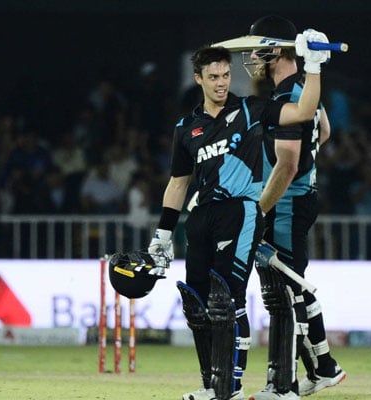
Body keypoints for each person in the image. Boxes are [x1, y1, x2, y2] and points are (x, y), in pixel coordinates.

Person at [145, 33, 329, 400]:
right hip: (200, 217)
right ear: (198, 78)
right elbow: (178, 185)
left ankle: (230, 387)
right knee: (196, 303)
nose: (220, 83)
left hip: (241, 212)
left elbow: (306, 112)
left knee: (227, 300)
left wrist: (313, 67)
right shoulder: (187, 128)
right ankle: (211, 385)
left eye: (225, 76)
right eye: (212, 77)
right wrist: (162, 235)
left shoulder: (252, 109)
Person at [240, 16, 345, 400]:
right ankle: (323, 368)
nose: (252, 56)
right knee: (292, 284)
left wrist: (258, 211)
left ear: (275, 50)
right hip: (299, 198)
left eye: (257, 48)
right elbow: (326, 131)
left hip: (286, 202)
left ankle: (283, 385)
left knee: (284, 292)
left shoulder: (288, 97)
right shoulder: (303, 90)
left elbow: (286, 165)